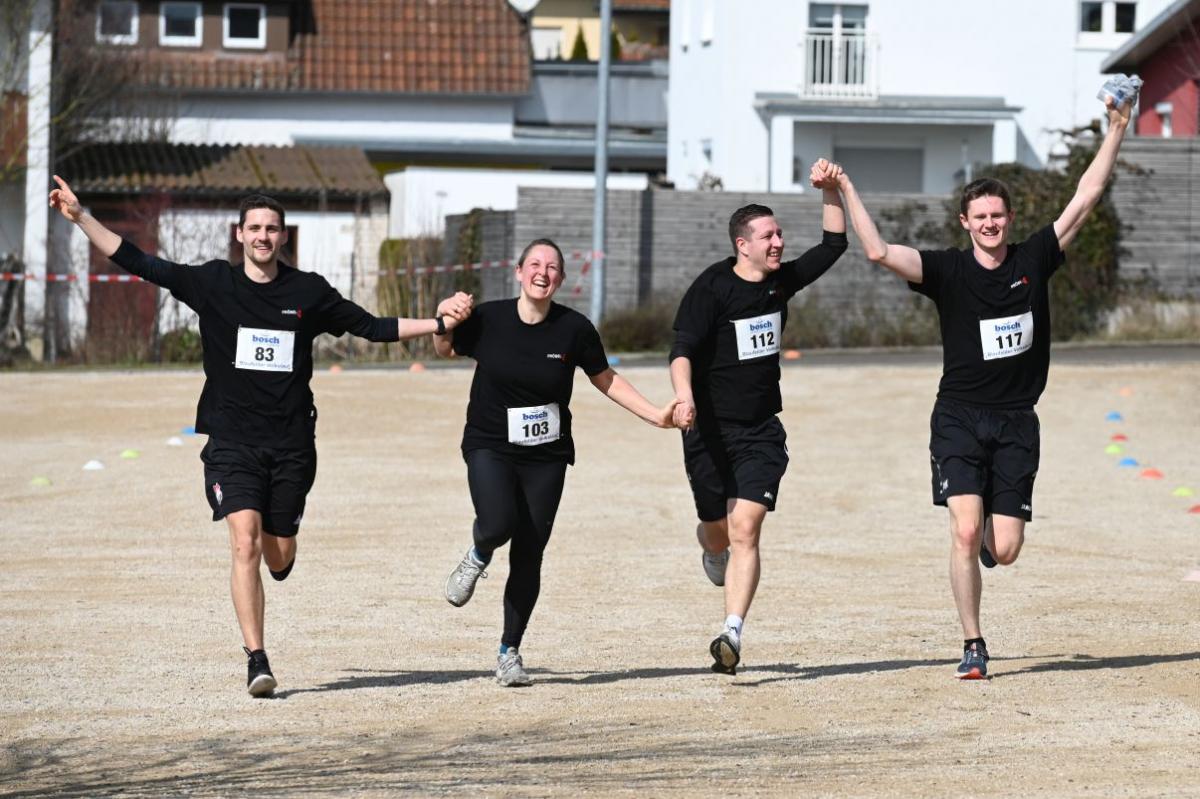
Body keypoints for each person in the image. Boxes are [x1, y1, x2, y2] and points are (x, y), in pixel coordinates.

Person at [49, 175, 473, 697]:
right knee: (243, 541)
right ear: (240, 234)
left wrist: (437, 323)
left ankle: (283, 554)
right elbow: (139, 261)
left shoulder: (308, 292)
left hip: (291, 445)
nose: (263, 236)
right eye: (254, 228)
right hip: (232, 442)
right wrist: (82, 216)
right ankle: (257, 659)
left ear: (283, 236)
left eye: (272, 229)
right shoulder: (212, 283)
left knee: (278, 553)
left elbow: (372, 326)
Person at [830, 93, 1134, 679]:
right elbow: (876, 251)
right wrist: (844, 185)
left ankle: (992, 539)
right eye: (980, 217)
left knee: (1006, 549)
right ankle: (973, 643)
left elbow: (1087, 196)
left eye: (998, 215)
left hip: (1017, 420)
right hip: (960, 417)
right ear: (965, 223)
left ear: (1008, 219)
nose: (990, 224)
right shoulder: (947, 270)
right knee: (965, 530)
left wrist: (1117, 127)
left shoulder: (1034, 259)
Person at [433, 238, 681, 686]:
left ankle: (509, 652)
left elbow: (606, 378)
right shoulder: (488, 318)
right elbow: (445, 348)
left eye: (552, 267)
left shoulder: (574, 329)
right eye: (534, 264)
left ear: (562, 279)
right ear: (518, 271)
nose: (542, 273)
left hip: (546, 455)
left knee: (530, 553)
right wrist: (443, 319)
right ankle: (478, 553)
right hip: (490, 443)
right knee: (497, 523)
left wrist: (655, 416)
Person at [670, 162, 848, 675]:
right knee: (718, 532)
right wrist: (683, 397)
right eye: (768, 236)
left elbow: (833, 245)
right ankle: (712, 551)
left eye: (780, 234)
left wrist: (831, 190)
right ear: (742, 244)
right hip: (708, 432)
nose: (778, 243)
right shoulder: (712, 288)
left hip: (760, 431)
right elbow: (681, 350)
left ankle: (731, 633)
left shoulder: (779, 283)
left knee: (746, 528)